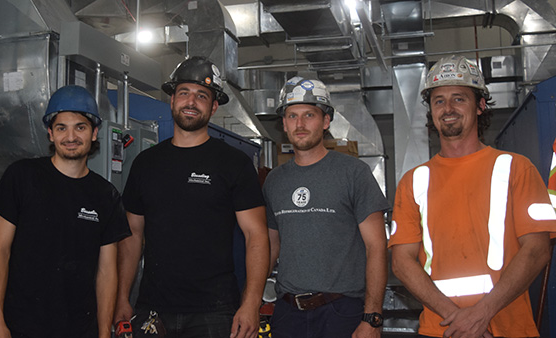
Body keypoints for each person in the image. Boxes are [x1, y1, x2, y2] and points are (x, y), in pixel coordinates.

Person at [389, 55, 556, 337]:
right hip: (441, 329)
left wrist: (481, 314)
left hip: (507, 328)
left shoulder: (517, 168)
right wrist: (459, 320)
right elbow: (402, 262)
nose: (448, 108)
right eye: (438, 100)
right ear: (430, 110)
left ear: (480, 105)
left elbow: (537, 249)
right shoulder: (413, 181)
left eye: (459, 98)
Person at [114, 56, 269, 338]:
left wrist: (251, 303)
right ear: (172, 100)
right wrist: (122, 296)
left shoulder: (233, 163)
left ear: (213, 106)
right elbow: (132, 235)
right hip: (152, 308)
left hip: (216, 310)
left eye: (201, 95)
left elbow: (256, 236)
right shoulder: (146, 164)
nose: (190, 101)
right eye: (183, 93)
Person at [0, 85, 131, 338]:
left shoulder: (106, 196)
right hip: (20, 327)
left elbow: (106, 272)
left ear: (94, 133)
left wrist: (104, 333)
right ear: (50, 134)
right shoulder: (22, 177)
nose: (71, 136)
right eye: (62, 128)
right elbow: (0, 251)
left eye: (80, 127)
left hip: (79, 329)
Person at [262, 76, 390, 338]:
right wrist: (252, 301)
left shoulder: (354, 173)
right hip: (288, 314)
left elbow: (376, 246)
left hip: (342, 312)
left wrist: (372, 317)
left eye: (309, 115)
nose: (300, 124)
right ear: (284, 123)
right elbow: (269, 247)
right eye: (292, 116)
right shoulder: (274, 181)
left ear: (326, 121)